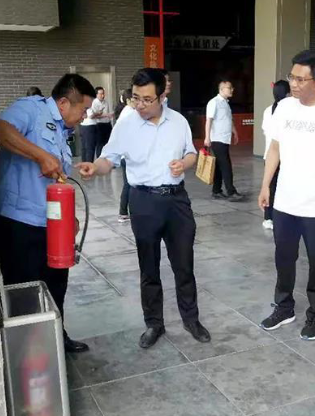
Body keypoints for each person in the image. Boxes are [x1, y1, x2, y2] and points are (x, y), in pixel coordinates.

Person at [76, 68, 211, 349]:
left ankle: (191, 319)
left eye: (147, 99)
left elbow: (191, 153)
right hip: (143, 201)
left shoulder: (178, 122)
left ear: (162, 96)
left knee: (184, 265)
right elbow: (108, 159)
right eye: (136, 98)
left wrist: (184, 164)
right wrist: (95, 167)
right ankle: (154, 324)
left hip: (176, 201)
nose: (140, 105)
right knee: (148, 267)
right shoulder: (126, 124)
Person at [0, 74, 96, 353]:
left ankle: (56, 338)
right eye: (83, 109)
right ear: (63, 103)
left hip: (52, 225)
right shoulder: (32, 110)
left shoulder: (63, 131)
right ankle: (30, 354)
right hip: (19, 224)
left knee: (57, 283)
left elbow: (57, 183)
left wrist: (70, 218)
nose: (85, 116)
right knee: (25, 289)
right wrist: (40, 155)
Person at [258, 51, 315, 341]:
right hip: (285, 201)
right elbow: (275, 148)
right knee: (283, 258)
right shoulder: (285, 107)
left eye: (300, 79)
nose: (294, 84)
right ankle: (284, 307)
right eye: (292, 77)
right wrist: (265, 185)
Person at [204, 79, 244, 202]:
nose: (232, 90)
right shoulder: (214, 102)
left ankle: (216, 191)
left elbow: (229, 120)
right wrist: (207, 137)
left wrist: (235, 132)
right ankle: (231, 192)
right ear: (221, 89)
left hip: (225, 139)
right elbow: (209, 120)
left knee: (219, 166)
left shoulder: (226, 103)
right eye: (229, 88)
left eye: (232, 88)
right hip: (217, 139)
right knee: (226, 166)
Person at [261, 80, 290, 230]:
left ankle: (268, 218)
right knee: (281, 188)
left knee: (270, 188)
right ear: (288, 93)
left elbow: (265, 131)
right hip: (283, 156)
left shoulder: (268, 110)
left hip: (269, 155)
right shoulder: (288, 111)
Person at [115, 88, 136, 223]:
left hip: (125, 155)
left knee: (128, 184)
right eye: (135, 99)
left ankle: (124, 212)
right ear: (128, 100)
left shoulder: (126, 112)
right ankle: (123, 212)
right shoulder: (130, 113)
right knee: (129, 185)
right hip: (128, 156)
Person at [79, 86, 112, 162]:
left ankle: (86, 164)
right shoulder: (89, 102)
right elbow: (90, 115)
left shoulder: (85, 102)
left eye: (103, 93)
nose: (102, 95)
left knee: (86, 147)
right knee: (90, 147)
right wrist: (99, 113)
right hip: (89, 126)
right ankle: (89, 165)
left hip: (88, 125)